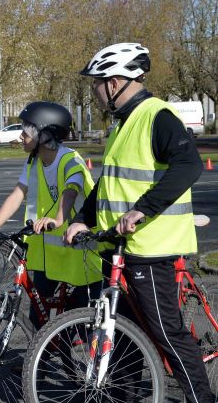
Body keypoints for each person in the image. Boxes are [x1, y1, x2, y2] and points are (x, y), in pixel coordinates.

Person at [65, 42, 212, 402]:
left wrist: (141, 209)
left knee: (168, 334)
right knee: (125, 336)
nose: (95, 92)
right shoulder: (122, 124)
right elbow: (107, 184)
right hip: (118, 248)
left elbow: (189, 165)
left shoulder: (155, 116)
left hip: (151, 248)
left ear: (114, 83)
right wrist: (82, 219)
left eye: (96, 84)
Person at [0, 102, 102, 327]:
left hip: (78, 251)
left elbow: (71, 190)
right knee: (38, 311)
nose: (21, 136)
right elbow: (17, 194)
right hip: (48, 254)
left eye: (26, 131)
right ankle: (36, 360)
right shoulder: (34, 162)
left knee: (76, 320)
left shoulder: (70, 160)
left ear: (43, 136)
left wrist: (59, 219)